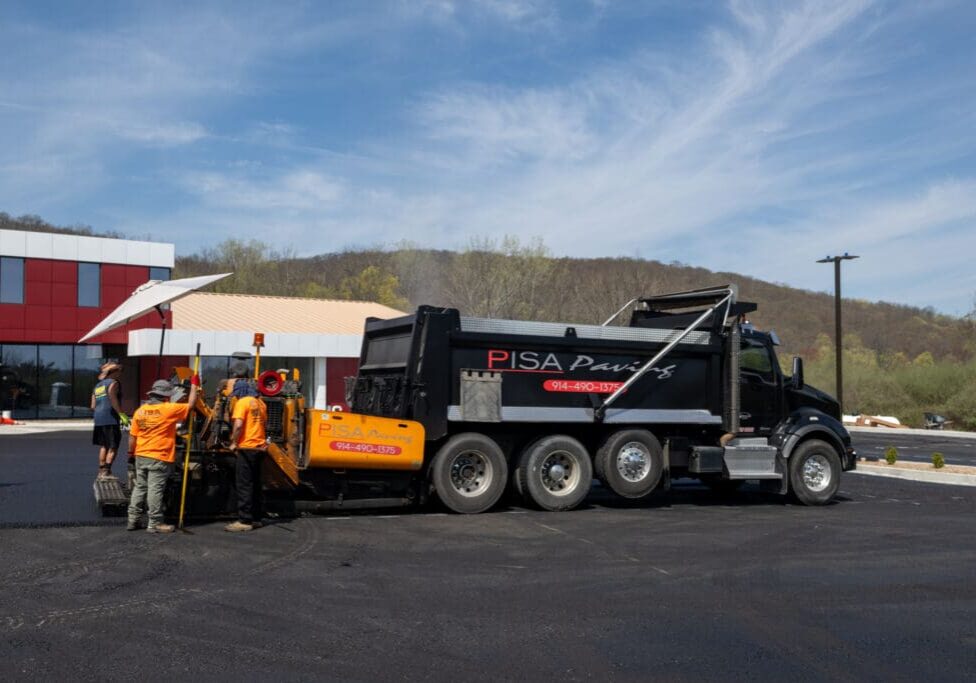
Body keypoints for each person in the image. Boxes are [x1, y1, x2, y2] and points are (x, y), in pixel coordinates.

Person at [127, 375, 199, 534]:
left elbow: (132, 437)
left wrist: (131, 453)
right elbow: (192, 404)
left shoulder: (140, 412)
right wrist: (194, 385)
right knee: (155, 489)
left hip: (141, 454)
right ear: (166, 395)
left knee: (140, 487)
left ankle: (133, 519)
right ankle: (154, 523)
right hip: (159, 456)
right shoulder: (168, 409)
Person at [225, 380, 268, 532]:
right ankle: (256, 518)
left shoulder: (242, 402)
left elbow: (238, 425)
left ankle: (244, 520)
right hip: (259, 448)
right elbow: (263, 424)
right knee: (255, 484)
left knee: (244, 485)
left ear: (240, 392)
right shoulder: (261, 403)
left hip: (246, 447)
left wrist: (233, 442)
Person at [91, 362, 128, 479]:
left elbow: (92, 405)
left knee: (104, 445)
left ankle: (101, 471)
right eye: (118, 371)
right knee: (113, 446)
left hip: (99, 418)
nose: (120, 374)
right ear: (113, 372)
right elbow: (112, 398)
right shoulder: (114, 383)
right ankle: (107, 472)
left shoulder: (97, 386)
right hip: (111, 418)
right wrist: (122, 414)